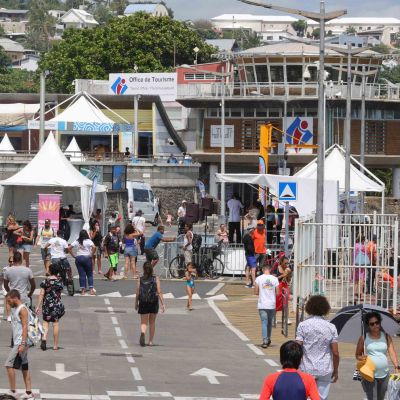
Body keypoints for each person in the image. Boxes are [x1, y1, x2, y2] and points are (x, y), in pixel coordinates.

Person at [295, 295, 340, 400]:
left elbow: (297, 347)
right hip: (324, 369)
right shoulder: (331, 327)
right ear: (325, 309)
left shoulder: (303, 325)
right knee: (321, 398)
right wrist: (336, 370)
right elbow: (336, 352)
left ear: (309, 308)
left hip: (306, 368)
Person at [356, 311, 400, 400]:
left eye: (377, 322)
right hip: (369, 374)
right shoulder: (363, 338)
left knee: (381, 398)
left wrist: (397, 367)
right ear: (368, 326)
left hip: (384, 374)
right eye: (372, 324)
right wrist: (362, 357)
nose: (375, 325)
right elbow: (357, 355)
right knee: (372, 398)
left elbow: (392, 353)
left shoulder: (387, 337)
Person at [5, 290, 34, 400]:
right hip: (20, 341)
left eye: (9, 301)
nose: (8, 303)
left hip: (20, 342)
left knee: (9, 365)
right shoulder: (16, 308)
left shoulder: (22, 309)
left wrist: (22, 344)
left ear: (16, 298)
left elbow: (25, 327)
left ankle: (13, 391)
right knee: (24, 366)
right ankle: (29, 392)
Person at [35, 263, 65, 351]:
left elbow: (41, 294)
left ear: (50, 271)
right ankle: (55, 345)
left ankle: (44, 338)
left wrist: (38, 306)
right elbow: (62, 290)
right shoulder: (59, 281)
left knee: (45, 323)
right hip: (56, 305)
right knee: (55, 324)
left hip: (47, 305)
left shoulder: (45, 281)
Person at [135, 262, 165, 347]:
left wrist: (136, 303)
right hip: (153, 302)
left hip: (143, 301)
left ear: (144, 269)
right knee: (152, 322)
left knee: (143, 323)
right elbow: (159, 292)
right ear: (152, 269)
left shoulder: (140, 279)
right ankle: (151, 341)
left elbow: (138, 293)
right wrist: (163, 303)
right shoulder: (156, 279)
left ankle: (143, 332)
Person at [255, 264, 279, 348]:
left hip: (262, 304)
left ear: (262, 269)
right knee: (269, 323)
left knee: (264, 323)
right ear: (270, 269)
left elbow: (255, 292)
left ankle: (265, 341)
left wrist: (262, 292)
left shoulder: (258, 278)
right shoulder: (275, 279)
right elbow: (278, 293)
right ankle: (268, 338)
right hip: (271, 304)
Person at [68, 230, 97, 295]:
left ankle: (83, 291)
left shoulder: (77, 241)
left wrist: (74, 256)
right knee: (89, 274)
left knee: (82, 275)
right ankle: (91, 290)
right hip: (86, 257)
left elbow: (69, 248)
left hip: (78, 258)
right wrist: (92, 254)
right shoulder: (88, 241)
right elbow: (94, 247)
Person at [274, 256, 292, 324]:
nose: (286, 265)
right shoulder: (277, 269)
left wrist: (288, 274)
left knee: (286, 302)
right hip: (278, 286)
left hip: (284, 286)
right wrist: (282, 276)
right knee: (277, 302)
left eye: (287, 263)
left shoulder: (287, 269)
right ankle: (274, 317)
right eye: (285, 263)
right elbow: (273, 278)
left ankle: (286, 318)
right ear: (281, 262)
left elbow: (289, 280)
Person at [352, 234, 368, 299]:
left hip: (355, 263)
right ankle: (361, 292)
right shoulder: (363, 247)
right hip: (361, 263)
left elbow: (353, 254)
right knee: (361, 277)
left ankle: (355, 292)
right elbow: (365, 255)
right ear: (363, 240)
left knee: (356, 277)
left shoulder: (355, 246)